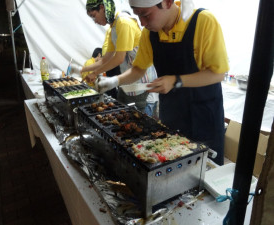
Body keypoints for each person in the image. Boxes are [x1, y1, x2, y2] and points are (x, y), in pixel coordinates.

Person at [95, 0, 229, 165]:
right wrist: (114, 81)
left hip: (204, 115)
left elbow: (218, 74)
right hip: (172, 114)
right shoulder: (150, 33)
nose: (142, 23)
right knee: (169, 163)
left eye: (146, 15)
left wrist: (176, 81)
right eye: (138, 15)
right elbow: (138, 69)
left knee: (204, 169)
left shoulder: (203, 22)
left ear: (166, 2)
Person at [82, 0, 156, 112]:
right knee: (121, 113)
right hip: (127, 82)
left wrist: (95, 73)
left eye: (94, 16)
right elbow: (105, 59)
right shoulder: (114, 27)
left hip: (140, 83)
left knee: (136, 120)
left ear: (102, 8)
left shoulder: (124, 22)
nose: (95, 21)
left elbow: (119, 58)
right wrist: (85, 70)